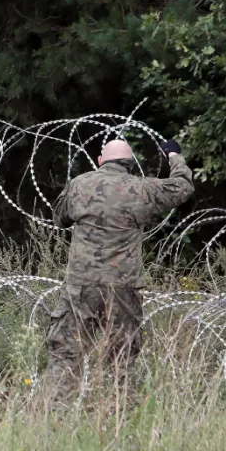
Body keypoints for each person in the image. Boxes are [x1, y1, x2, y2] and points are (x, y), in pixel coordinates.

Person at [43, 137, 194, 399]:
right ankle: (116, 412)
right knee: (121, 355)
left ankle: (57, 413)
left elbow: (59, 218)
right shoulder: (143, 189)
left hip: (82, 284)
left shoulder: (80, 184)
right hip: (123, 286)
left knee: (67, 351)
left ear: (101, 161)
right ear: (130, 164)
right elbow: (183, 187)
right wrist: (174, 156)